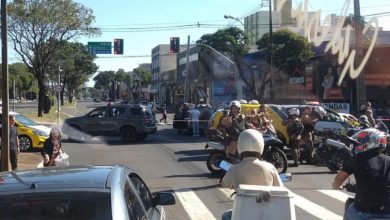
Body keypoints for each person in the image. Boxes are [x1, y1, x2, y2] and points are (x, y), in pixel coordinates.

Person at [220, 129, 283, 220]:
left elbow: (224, 184)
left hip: (243, 212)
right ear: (260, 145)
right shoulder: (270, 167)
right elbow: (280, 188)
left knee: (225, 216)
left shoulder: (234, 169)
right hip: (265, 212)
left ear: (240, 145)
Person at [332, 128, 390, 220]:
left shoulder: (357, 159)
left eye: (361, 141)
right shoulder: (388, 160)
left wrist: (336, 186)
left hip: (363, 212)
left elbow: (340, 178)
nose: (358, 144)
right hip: (387, 211)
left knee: (349, 207)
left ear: (372, 142)